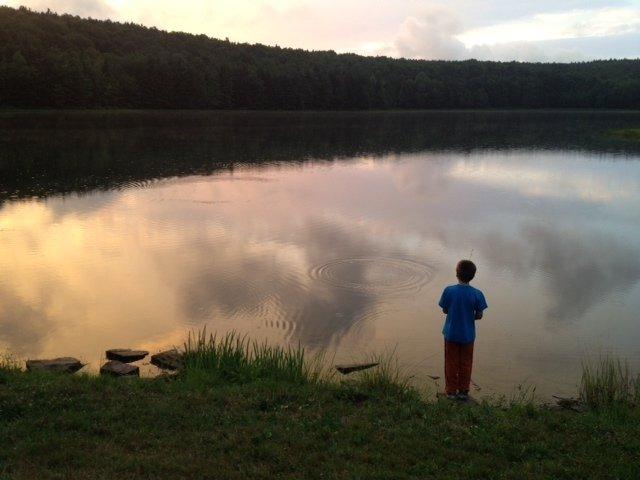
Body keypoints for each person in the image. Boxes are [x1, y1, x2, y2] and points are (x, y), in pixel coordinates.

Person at [438, 259, 487, 401]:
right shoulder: (477, 294)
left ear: (456, 273)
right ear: (473, 276)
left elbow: (445, 310)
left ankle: (451, 391)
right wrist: (469, 315)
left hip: (451, 334)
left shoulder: (449, 291)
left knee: (450, 362)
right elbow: (479, 315)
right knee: (466, 362)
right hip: (468, 335)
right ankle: (463, 391)